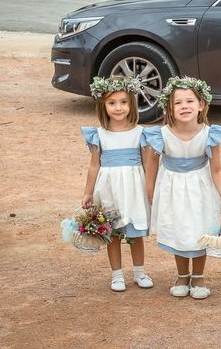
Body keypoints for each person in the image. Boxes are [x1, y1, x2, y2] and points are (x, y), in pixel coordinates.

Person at [144, 76, 221, 299]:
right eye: (178, 103)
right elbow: (152, 164)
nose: (184, 106)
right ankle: (182, 274)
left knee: (199, 227)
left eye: (190, 101)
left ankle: (199, 276)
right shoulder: (161, 134)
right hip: (172, 188)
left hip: (200, 188)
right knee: (179, 229)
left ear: (201, 104)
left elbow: (216, 169)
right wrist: (150, 191)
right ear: (170, 107)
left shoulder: (209, 134)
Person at [81, 76, 153, 292]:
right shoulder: (100, 135)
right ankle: (117, 275)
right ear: (103, 105)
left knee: (135, 233)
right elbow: (94, 166)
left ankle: (139, 272)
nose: (118, 107)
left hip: (133, 188)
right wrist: (88, 193)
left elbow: (147, 164)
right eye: (112, 103)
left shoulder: (140, 133)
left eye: (123, 102)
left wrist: (150, 190)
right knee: (112, 232)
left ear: (131, 103)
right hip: (109, 188)